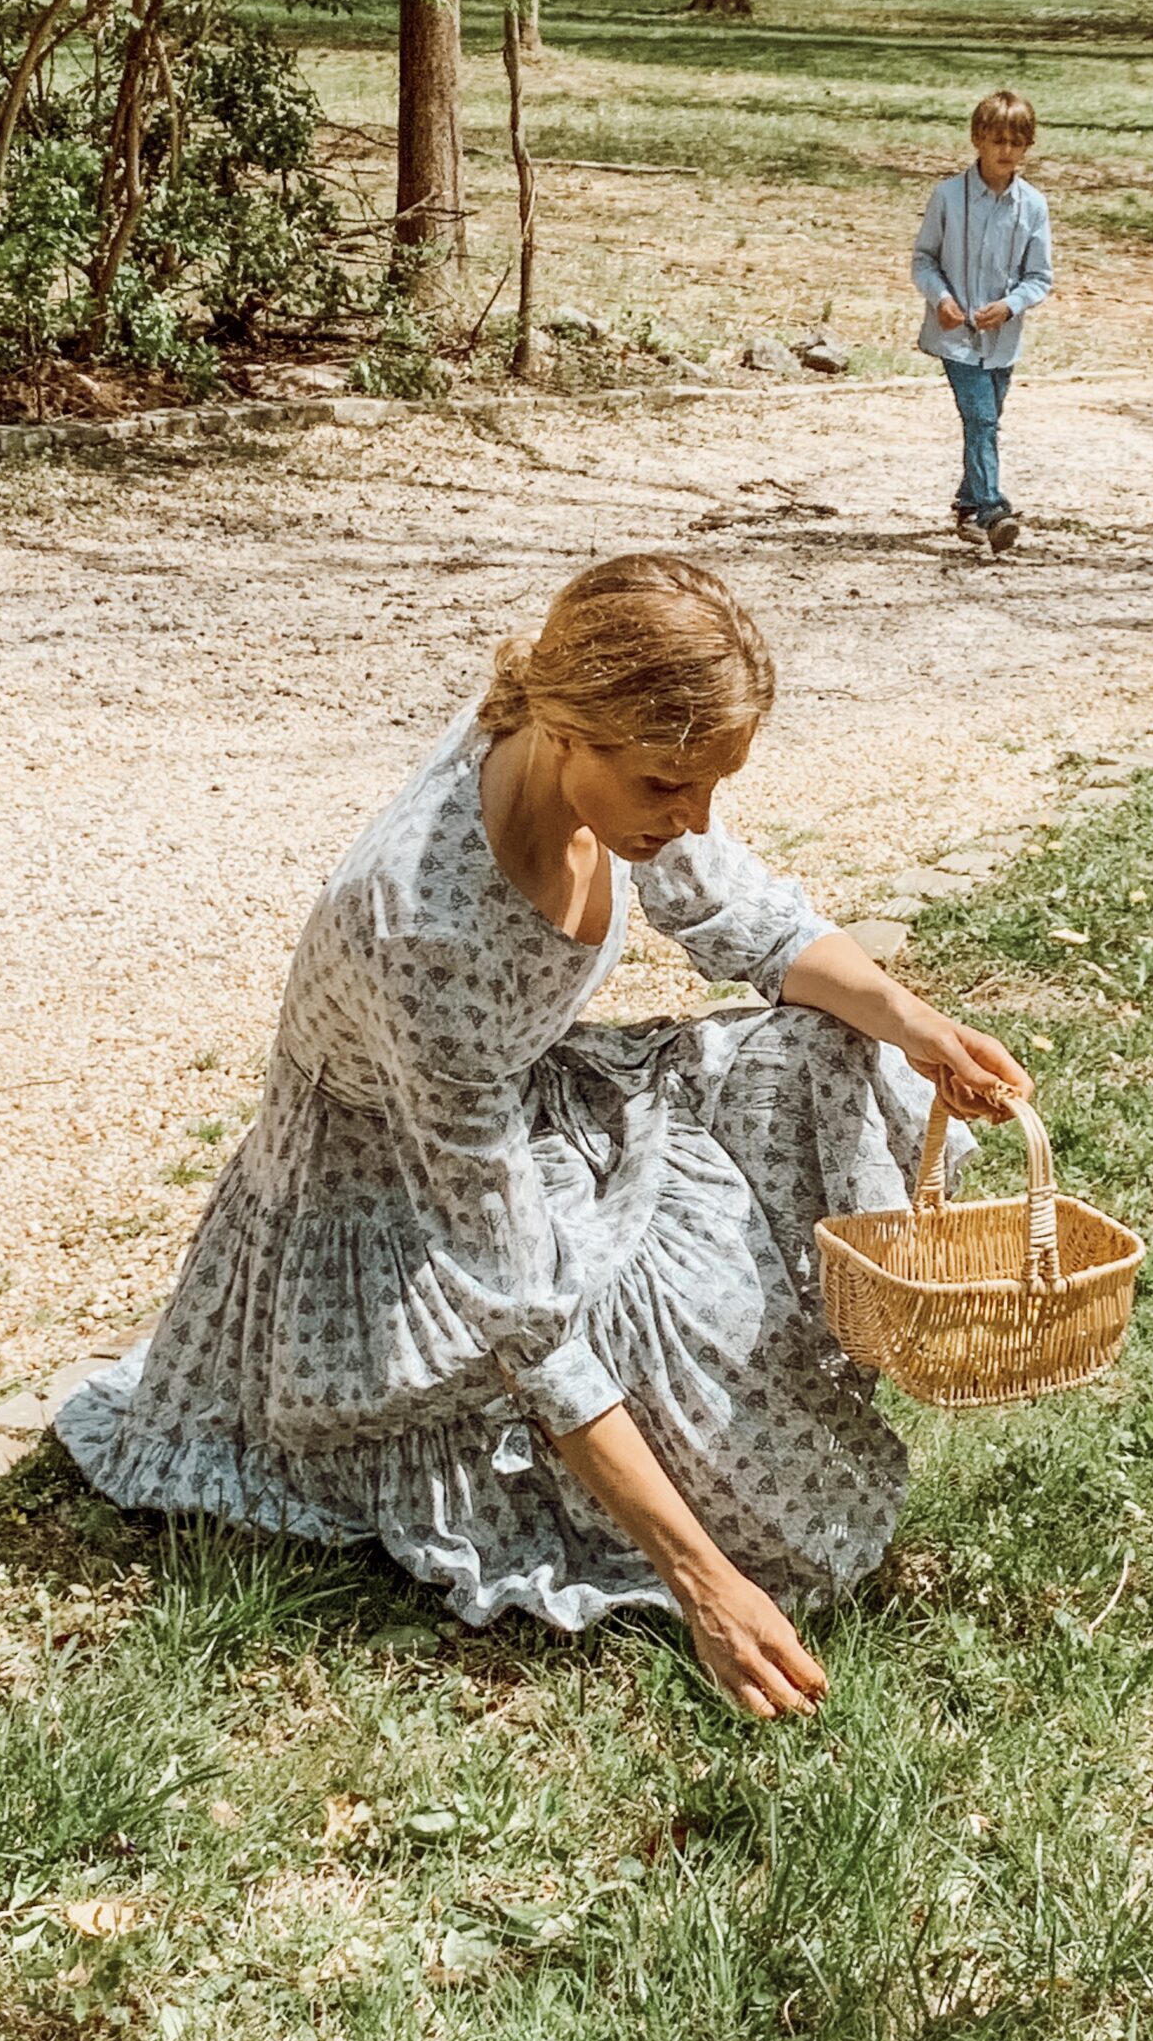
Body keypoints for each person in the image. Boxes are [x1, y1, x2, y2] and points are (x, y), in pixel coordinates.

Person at [56, 555, 1030, 1721]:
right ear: (572, 728)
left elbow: (730, 902)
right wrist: (701, 1582)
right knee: (761, 1525)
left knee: (845, 1041)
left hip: (532, 1099)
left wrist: (917, 1025)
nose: (694, 818)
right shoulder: (425, 924)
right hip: (402, 1197)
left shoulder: (578, 755)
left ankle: (789, 1347)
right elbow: (515, 1298)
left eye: (715, 782)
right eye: (670, 784)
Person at [911, 88, 1054, 557]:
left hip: (1002, 339)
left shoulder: (1032, 206)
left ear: (1028, 146)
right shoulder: (949, 197)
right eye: (997, 141)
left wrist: (1011, 305)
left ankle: (968, 502)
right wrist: (942, 299)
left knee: (986, 423)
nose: (1005, 151)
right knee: (981, 418)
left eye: (1016, 142)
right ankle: (993, 510)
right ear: (977, 139)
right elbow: (924, 260)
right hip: (955, 337)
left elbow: (1039, 277)